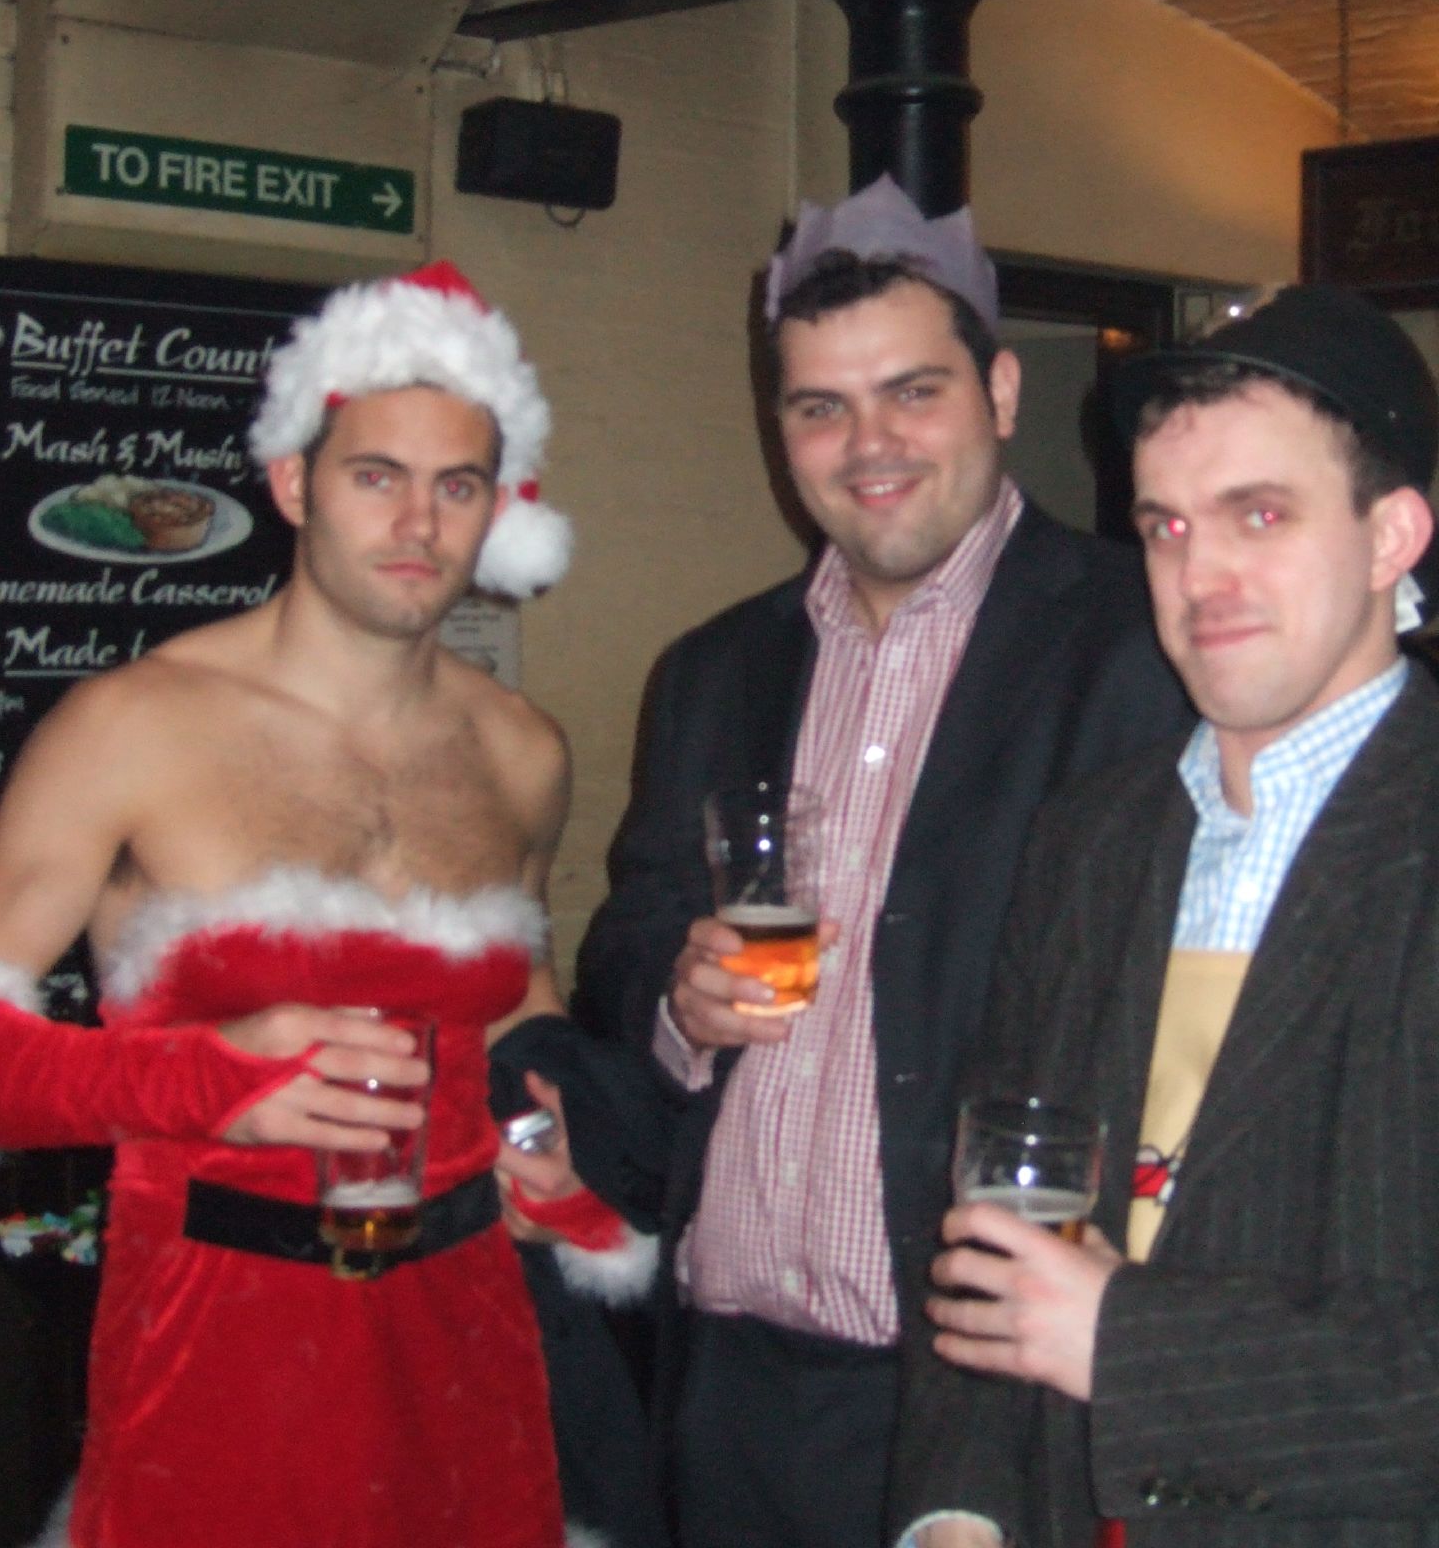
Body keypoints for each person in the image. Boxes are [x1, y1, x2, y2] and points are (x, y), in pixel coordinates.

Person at [0, 260, 639, 1548]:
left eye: (457, 484)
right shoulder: (132, 725)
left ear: (499, 507)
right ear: (295, 482)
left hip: (470, 1349)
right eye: (376, 475)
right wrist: (199, 1075)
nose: (418, 521)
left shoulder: (524, 751)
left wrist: (556, 1144)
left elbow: (516, 1006)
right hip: (216, 1351)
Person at [573, 177, 1192, 1548]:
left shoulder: (1142, 648)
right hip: (724, 1384)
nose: (869, 445)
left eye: (914, 393)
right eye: (819, 407)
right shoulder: (713, 671)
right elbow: (621, 941)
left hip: (983, 1395)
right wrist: (678, 998)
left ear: (1004, 392)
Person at [891, 283, 1439, 1548]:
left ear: (1391, 535)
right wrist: (956, 1511)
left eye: (1261, 513)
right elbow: (993, 1217)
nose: (1201, 575)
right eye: (1166, 525)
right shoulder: (1093, 838)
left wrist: (1128, 1343)